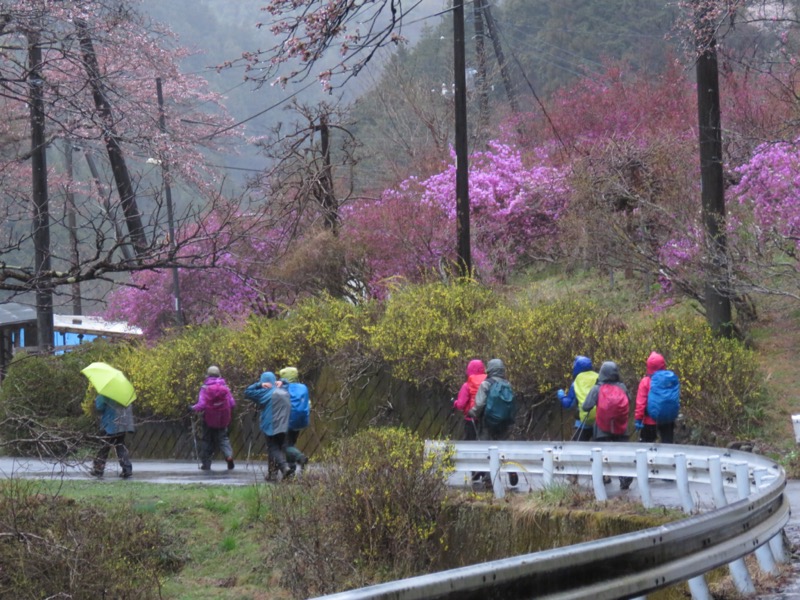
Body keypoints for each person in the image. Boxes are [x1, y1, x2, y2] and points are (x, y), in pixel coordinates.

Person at [581, 360, 633, 490]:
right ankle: (625, 478)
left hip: (601, 429)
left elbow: (586, 406)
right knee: (621, 454)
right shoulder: (622, 387)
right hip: (621, 428)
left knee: (600, 454)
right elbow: (629, 400)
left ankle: (602, 477)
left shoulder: (597, 388)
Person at [468, 358, 518, 488]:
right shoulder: (507, 384)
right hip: (504, 422)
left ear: (490, 369)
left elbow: (480, 404)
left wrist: (472, 412)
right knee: (504, 448)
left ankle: (489, 478)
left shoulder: (486, 384)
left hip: (488, 422)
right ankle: (512, 470)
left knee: (487, 449)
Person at [244, 371, 292, 481]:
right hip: (284, 424)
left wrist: (258, 385)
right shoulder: (283, 390)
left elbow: (247, 392)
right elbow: (289, 384)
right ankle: (272, 473)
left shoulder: (263, 393)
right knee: (278, 447)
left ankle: (284, 467)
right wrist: (282, 382)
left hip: (271, 424)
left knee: (272, 447)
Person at [191, 365, 236, 471]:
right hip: (222, 419)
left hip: (209, 419)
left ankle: (206, 464)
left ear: (207, 375)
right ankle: (228, 456)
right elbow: (232, 404)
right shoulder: (225, 387)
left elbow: (201, 405)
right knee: (223, 439)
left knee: (207, 440)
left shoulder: (205, 388)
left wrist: (192, 408)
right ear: (219, 375)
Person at [635, 352, 677, 444]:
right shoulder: (670, 379)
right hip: (668, 420)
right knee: (668, 446)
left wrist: (638, 419)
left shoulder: (645, 382)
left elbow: (641, 403)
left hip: (650, 421)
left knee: (647, 448)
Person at [90, 393, 135, 478]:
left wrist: (96, 401)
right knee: (120, 447)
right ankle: (127, 469)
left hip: (109, 425)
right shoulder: (123, 393)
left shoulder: (105, 393)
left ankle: (98, 469)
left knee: (104, 448)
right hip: (121, 425)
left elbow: (99, 407)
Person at [557, 355, 599, 441]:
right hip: (600, 421)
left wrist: (561, 396)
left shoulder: (576, 382)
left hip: (583, 422)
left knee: (578, 449)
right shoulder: (599, 377)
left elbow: (568, 404)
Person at [279, 366, 310, 476]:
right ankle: (291, 469)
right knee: (291, 443)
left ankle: (300, 458)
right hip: (301, 420)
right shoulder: (303, 387)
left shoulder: (283, 388)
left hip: (287, 420)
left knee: (283, 446)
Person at [453, 359, 487, 441]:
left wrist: (455, 403)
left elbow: (461, 404)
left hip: (471, 419)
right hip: (485, 418)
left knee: (469, 442)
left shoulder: (467, 385)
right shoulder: (487, 383)